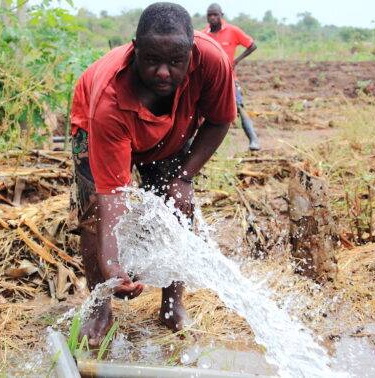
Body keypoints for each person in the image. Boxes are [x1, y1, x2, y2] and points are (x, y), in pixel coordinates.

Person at [69, 2, 236, 346]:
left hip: (170, 130)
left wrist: (185, 178)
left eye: (175, 62)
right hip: (101, 127)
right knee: (93, 214)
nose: (163, 72)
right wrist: (113, 264)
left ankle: (172, 306)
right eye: (152, 61)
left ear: (191, 53)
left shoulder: (214, 61)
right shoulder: (108, 103)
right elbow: (112, 195)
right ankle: (99, 307)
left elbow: (219, 120)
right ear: (135, 49)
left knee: (177, 204)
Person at [204, 3, 261, 151]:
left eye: (215, 15)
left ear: (221, 15)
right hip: (209, 81)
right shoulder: (204, 34)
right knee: (203, 112)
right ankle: (201, 148)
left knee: (239, 107)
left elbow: (252, 45)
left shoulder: (232, 31)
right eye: (210, 15)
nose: (212, 18)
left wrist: (236, 61)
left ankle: (254, 140)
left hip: (229, 78)